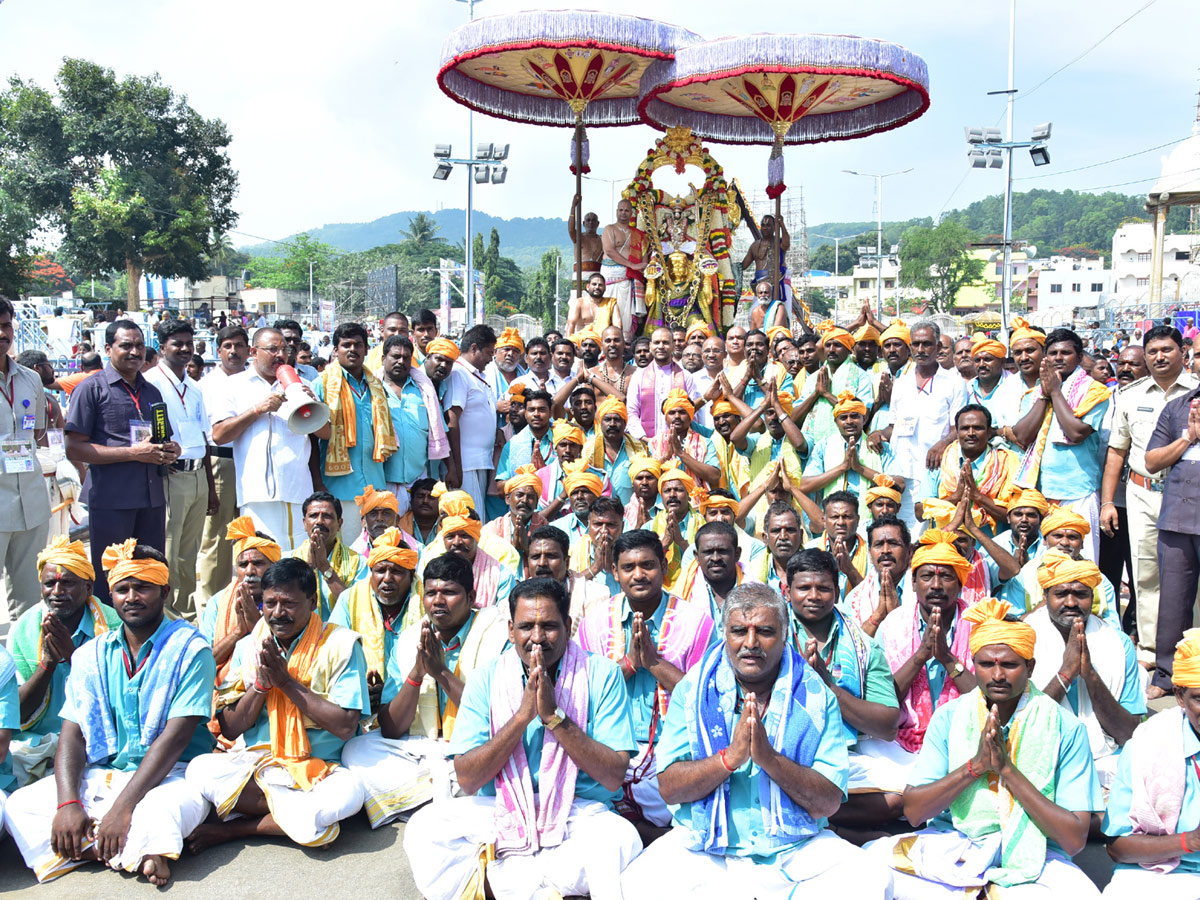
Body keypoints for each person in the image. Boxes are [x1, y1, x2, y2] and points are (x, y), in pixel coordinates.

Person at [621, 581, 895, 899]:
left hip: (794, 849)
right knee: (636, 885)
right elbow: (669, 787)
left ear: (784, 634)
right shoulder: (693, 691)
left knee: (872, 881)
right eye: (739, 631)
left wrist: (770, 760)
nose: (751, 643)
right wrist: (730, 758)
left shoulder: (817, 696)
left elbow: (829, 803)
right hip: (706, 847)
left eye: (764, 631)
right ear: (724, 633)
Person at [403, 577, 643, 900]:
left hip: (579, 812)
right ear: (510, 630)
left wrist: (556, 718)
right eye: (527, 626)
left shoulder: (602, 674)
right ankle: (540, 884)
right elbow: (468, 779)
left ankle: (510, 883)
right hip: (499, 808)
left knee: (622, 839)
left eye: (549, 626)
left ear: (569, 625)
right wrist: (521, 718)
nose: (538, 638)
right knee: (422, 831)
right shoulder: (485, 678)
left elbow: (614, 776)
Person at [3, 541, 215, 886]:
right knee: (19, 807)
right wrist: (69, 802)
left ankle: (96, 843)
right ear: (110, 595)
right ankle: (127, 851)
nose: (131, 597)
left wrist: (123, 808)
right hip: (106, 773)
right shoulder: (92, 654)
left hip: (171, 775)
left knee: (159, 814)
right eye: (122, 589)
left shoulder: (191, 650)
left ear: (165, 591)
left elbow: (176, 738)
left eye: (142, 587)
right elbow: (72, 735)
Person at [868, 598, 1102, 900]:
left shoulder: (1064, 727)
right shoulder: (950, 717)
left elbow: (1073, 839)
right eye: (986, 664)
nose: (998, 675)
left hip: (1037, 854)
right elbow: (914, 811)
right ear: (974, 664)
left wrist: (1006, 770)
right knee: (869, 867)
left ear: (1030, 667)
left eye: (1009, 664)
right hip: (956, 842)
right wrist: (974, 768)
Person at [185, 557, 368, 851]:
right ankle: (296, 820)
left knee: (350, 795)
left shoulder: (341, 645)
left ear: (312, 601)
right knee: (198, 770)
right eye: (270, 604)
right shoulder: (249, 647)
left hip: (320, 770)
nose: (278, 613)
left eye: (288, 604)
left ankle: (239, 828)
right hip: (261, 765)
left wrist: (287, 683)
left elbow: (346, 726)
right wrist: (260, 686)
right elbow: (230, 730)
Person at [341, 552, 508, 827]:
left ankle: (422, 798)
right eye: (430, 593)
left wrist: (441, 672)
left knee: (493, 765)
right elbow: (392, 729)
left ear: (471, 596)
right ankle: (445, 795)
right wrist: (418, 673)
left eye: (449, 592)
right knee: (356, 750)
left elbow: (495, 717)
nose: (438, 601)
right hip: (424, 750)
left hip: (473, 747)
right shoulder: (411, 640)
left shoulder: (498, 634)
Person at [577, 529, 715, 833]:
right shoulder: (594, 624)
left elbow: (706, 700)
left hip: (675, 749)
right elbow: (582, 697)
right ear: (614, 571)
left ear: (664, 568)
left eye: (648, 566)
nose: (638, 575)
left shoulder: (696, 624)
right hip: (610, 748)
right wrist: (628, 664)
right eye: (628, 568)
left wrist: (653, 663)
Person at [786, 549, 904, 829]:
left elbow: (888, 726)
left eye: (823, 588)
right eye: (804, 588)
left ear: (837, 592)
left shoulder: (864, 646)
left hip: (845, 752)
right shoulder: (769, 634)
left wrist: (828, 687)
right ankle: (828, 821)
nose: (813, 595)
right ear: (787, 591)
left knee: (901, 798)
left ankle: (815, 817)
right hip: (783, 751)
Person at [65, 319, 181, 602]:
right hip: (112, 499)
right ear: (108, 348)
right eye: (126, 345)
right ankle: (110, 637)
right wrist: (133, 453)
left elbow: (160, 437)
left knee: (149, 573)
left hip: (152, 498)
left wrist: (171, 450)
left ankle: (149, 636)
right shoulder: (91, 389)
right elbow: (74, 448)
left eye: (140, 346)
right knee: (112, 576)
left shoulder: (151, 391)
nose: (134, 352)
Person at [1105, 326, 1197, 671]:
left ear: (1182, 353)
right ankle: (1150, 648)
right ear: (1145, 356)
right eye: (1153, 350)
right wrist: (1107, 502)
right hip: (1142, 493)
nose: (1160, 356)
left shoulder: (1194, 392)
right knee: (1145, 573)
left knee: (1191, 574)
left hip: (1188, 497)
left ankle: (1191, 648)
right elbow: (1117, 451)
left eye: (1167, 350)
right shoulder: (1129, 395)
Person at [6, 537, 122, 782]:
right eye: (50, 584)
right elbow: (16, 713)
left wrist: (74, 659)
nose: (57, 592)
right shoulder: (24, 630)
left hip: (93, 740)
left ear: (89, 588)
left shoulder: (114, 626)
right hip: (35, 744)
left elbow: (120, 701)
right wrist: (47, 664)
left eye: (68, 583)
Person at [1025, 551, 1144, 787]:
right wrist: (1066, 674)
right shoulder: (1023, 639)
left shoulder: (1118, 644)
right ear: (1046, 595)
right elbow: (1021, 729)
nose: (1071, 602)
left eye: (1080, 594)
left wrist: (1089, 674)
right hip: (1038, 761)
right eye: (1061, 594)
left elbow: (1128, 734)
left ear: (1093, 596)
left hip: (1106, 762)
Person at [1102, 629, 1200, 898]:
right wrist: (1189, 841)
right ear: (1179, 697)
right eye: (1199, 699)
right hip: (1156, 875)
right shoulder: (1148, 746)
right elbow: (1118, 848)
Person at [210, 327, 326, 554]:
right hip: (256, 494)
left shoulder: (302, 385)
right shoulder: (233, 386)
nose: (280, 355)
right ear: (254, 351)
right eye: (272, 349)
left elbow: (325, 434)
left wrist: (312, 404)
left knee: (298, 560)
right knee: (262, 558)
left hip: (297, 490)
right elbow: (219, 435)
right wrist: (257, 410)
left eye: (284, 349)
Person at [876, 530, 977, 758]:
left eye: (947, 577)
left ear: (961, 584)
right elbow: (883, 701)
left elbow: (987, 701)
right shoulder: (893, 625)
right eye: (927, 576)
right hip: (901, 743)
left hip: (965, 742)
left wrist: (947, 658)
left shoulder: (979, 624)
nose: (936, 585)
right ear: (913, 582)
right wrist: (921, 655)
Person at [1011, 328, 1111, 557]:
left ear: (1079, 357)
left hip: (1079, 491)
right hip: (1043, 491)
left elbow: (1076, 433)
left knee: (1081, 563)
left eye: (1065, 353)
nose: (1058, 358)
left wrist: (1056, 393)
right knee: (1046, 564)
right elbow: (1023, 435)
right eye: (1053, 353)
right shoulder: (1038, 391)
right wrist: (1046, 394)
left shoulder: (1095, 391)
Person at [144, 318, 218, 620]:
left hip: (199, 473)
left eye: (189, 343)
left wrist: (211, 488)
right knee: (170, 555)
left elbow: (204, 438)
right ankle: (164, 618)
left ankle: (186, 617)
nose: (185, 349)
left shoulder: (195, 387)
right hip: (171, 477)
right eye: (178, 343)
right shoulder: (151, 383)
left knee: (190, 558)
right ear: (162, 347)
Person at [870, 321, 969, 530]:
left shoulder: (953, 382)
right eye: (916, 344)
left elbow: (958, 429)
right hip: (901, 474)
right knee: (903, 533)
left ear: (938, 347)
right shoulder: (902, 383)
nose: (921, 350)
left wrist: (942, 445)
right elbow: (893, 426)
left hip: (934, 473)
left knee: (928, 533)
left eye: (927, 344)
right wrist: (878, 434)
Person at [314, 322, 398, 542]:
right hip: (340, 488)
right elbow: (311, 440)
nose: (352, 350)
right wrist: (318, 484)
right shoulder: (322, 384)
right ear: (335, 350)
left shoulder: (376, 387)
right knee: (345, 550)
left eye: (358, 345)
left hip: (375, 485)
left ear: (366, 349)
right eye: (346, 345)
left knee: (373, 550)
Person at [1145, 367, 1200, 694]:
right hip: (1177, 518)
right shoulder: (1179, 406)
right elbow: (1152, 461)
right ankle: (1168, 675)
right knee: (1174, 602)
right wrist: (1188, 438)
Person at [328, 528, 422, 715]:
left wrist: (389, 695)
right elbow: (334, 654)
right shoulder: (350, 599)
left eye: (396, 571)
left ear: (411, 576)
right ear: (371, 573)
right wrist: (361, 688)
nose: (387, 579)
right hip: (360, 706)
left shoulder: (425, 600)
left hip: (413, 705)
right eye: (380, 571)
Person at [0, 298, 51, 619]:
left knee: (31, 603)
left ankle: (25, 665)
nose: (1, 333)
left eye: (6, 325)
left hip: (31, 504)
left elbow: (38, 434)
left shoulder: (30, 379)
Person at [197, 325, 250, 607]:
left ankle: (247, 599)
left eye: (239, 345)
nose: (234, 351)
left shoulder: (257, 381)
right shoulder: (206, 385)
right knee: (216, 537)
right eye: (228, 346)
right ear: (219, 351)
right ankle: (211, 606)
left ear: (248, 349)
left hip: (252, 461)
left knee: (250, 531)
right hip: (221, 461)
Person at [198, 517, 280, 678]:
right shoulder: (217, 602)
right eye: (243, 565)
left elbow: (288, 655)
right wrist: (238, 632)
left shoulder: (285, 599)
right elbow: (203, 663)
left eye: (258, 563)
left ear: (274, 566)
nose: (249, 571)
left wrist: (257, 626)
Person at [801, 390, 899, 519]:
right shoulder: (824, 446)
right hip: (836, 520)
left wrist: (859, 468)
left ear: (864, 419)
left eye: (854, 416)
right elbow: (804, 485)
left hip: (872, 521)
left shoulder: (880, 446)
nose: (849, 421)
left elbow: (899, 484)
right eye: (843, 417)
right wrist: (843, 467)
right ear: (836, 422)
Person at [924, 403, 1019, 528]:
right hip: (947, 542)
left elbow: (1015, 516)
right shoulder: (941, 461)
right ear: (956, 433)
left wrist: (977, 496)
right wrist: (956, 496)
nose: (971, 433)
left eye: (978, 428)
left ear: (989, 432)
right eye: (965, 428)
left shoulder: (1007, 462)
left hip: (991, 544)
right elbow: (920, 511)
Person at [443, 325, 499, 516]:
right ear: (474, 348)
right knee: (470, 519)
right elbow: (452, 419)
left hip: (479, 461)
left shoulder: (476, 375)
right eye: (489, 353)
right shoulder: (459, 374)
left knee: (478, 518)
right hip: (465, 463)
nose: (491, 358)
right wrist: (455, 467)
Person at [379, 335, 436, 513]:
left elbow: (438, 429)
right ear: (383, 359)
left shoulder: (424, 389)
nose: (401, 361)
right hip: (382, 480)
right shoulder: (373, 389)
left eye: (406, 358)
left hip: (418, 481)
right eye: (395, 356)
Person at [525, 524, 611, 635]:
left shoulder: (596, 595)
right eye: (535, 557)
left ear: (567, 562)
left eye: (551, 556)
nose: (542, 563)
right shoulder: (515, 599)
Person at [292, 490, 366, 618]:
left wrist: (325, 567)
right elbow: (288, 604)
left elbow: (356, 608)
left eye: (327, 516)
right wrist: (308, 567)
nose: (319, 521)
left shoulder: (359, 563)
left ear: (339, 524)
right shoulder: (288, 559)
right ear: (304, 523)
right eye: (313, 515)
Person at [625, 327, 698, 441]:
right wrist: (645, 439)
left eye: (665, 342)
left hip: (680, 444)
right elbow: (631, 412)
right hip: (645, 444)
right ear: (650, 346)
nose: (660, 346)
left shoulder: (685, 376)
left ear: (673, 345)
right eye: (657, 343)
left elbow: (692, 413)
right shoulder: (638, 376)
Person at [845, 514, 910, 635]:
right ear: (870, 554)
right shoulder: (854, 599)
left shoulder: (923, 593)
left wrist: (895, 614)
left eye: (893, 543)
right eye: (879, 544)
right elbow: (853, 647)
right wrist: (878, 615)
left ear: (909, 551)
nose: (886, 550)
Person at [584, 396, 646, 507]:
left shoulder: (638, 449)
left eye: (617, 419)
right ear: (600, 423)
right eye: (607, 419)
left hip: (631, 515)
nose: (612, 424)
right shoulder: (588, 450)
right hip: (600, 515)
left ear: (625, 423)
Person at [601, 197, 649, 342]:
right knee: (607, 312)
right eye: (621, 210)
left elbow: (644, 255)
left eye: (626, 210)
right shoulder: (610, 229)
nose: (623, 213)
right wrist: (632, 265)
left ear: (631, 213)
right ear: (617, 212)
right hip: (611, 274)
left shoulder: (638, 234)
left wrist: (641, 265)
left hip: (628, 278)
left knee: (626, 314)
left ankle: (625, 342)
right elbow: (609, 251)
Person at [674, 520, 742, 621]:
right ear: (697, 556)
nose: (715, 558)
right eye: (708, 552)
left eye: (722, 551)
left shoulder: (756, 592)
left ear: (737, 554)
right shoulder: (680, 596)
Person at [967, 334, 1010, 422]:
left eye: (988, 359)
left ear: (1002, 362)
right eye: (977, 360)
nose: (982, 364)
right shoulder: (968, 388)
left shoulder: (1013, 385)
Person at [568, 272, 621, 337]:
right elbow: (571, 325)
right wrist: (569, 344)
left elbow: (618, 327)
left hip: (603, 343)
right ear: (588, 286)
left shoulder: (611, 303)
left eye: (600, 285)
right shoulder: (578, 303)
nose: (597, 287)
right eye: (594, 284)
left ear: (605, 288)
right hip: (582, 343)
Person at [363, 311, 409, 376]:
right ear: (382, 331)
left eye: (402, 330)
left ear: (408, 332)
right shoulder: (369, 357)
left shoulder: (415, 357)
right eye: (392, 330)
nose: (397, 334)